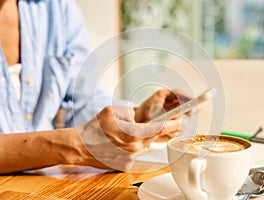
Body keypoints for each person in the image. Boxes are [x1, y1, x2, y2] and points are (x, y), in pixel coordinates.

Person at [0, 0, 188, 174]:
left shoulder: (57, 7)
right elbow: (78, 140)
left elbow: (81, 100)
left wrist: (134, 118)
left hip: (41, 184)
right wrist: (76, 145)